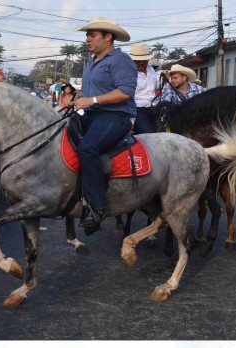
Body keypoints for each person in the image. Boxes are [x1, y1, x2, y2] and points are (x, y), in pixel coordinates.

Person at [72, 17, 138, 234]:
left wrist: (91, 100)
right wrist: (80, 97)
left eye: (92, 35)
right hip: (92, 114)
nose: (87, 39)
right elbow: (91, 91)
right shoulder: (91, 62)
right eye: (87, 35)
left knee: (87, 148)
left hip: (116, 116)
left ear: (108, 37)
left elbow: (125, 92)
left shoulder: (120, 60)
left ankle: (97, 207)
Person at [128, 43, 159, 134]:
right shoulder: (129, 73)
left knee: (158, 133)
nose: (141, 63)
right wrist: (131, 119)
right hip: (137, 109)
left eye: (144, 61)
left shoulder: (151, 69)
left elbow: (156, 85)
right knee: (150, 135)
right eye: (138, 61)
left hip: (153, 108)